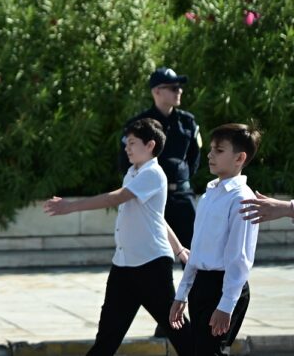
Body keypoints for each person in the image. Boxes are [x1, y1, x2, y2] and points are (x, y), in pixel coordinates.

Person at [44, 118, 192, 356]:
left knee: (181, 335)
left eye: (132, 143)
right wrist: (179, 248)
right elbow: (157, 217)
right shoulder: (133, 173)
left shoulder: (153, 173)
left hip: (151, 265)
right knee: (106, 339)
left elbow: (114, 198)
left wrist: (71, 206)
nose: (127, 147)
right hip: (123, 266)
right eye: (127, 143)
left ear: (150, 145)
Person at [169, 124, 262, 356]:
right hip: (202, 285)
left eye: (219, 150)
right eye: (211, 149)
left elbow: (239, 258)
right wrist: (182, 293)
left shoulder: (242, 199)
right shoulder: (211, 193)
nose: (210, 155)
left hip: (225, 287)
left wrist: (226, 304)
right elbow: (197, 248)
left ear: (240, 157)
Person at [122, 68, 202, 249]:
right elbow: (126, 160)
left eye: (179, 87)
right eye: (173, 88)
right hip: (149, 199)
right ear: (156, 91)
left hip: (181, 197)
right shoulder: (139, 125)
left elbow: (194, 158)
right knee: (148, 255)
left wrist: (181, 177)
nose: (179, 91)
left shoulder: (188, 121)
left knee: (192, 254)